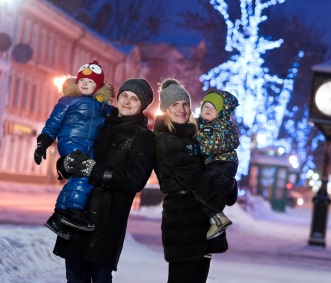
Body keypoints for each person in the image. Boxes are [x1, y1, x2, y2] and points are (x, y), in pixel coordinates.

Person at [53, 78, 156, 282]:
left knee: (100, 276)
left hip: (107, 221)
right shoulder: (98, 123)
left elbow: (135, 179)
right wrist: (64, 165)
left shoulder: (144, 137)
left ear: (142, 105)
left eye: (134, 99)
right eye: (124, 95)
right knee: (74, 276)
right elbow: (75, 148)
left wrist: (95, 171)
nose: (127, 101)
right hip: (77, 213)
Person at [154, 78, 234, 283]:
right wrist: (218, 199)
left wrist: (229, 184)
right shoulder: (165, 141)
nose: (181, 109)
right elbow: (194, 180)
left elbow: (213, 170)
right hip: (182, 226)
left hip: (202, 227)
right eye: (174, 105)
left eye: (185, 104)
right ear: (165, 109)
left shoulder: (196, 137)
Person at [34, 60, 114, 239]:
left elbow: (114, 114)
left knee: (86, 174)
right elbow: (53, 122)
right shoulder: (68, 101)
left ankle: (58, 216)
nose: (85, 84)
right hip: (70, 140)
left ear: (98, 86)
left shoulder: (100, 104)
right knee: (83, 171)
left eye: (91, 81)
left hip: (88, 144)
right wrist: (43, 142)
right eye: (82, 81)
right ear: (77, 83)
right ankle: (74, 212)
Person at [197, 90, 240, 239]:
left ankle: (217, 218)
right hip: (218, 164)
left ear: (221, 112)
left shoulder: (222, 126)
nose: (208, 110)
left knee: (202, 186)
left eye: (212, 107)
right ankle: (231, 186)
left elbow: (211, 146)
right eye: (205, 106)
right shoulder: (205, 125)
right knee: (208, 188)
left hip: (223, 164)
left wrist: (192, 148)